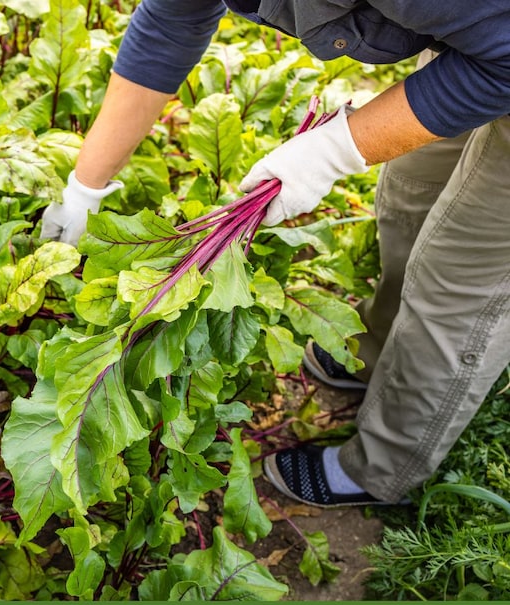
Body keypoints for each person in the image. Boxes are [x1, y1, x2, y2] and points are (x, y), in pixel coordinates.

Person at [40, 0, 510, 508]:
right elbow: (168, 24)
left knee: (459, 277)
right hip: (485, 37)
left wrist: (336, 149)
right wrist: (85, 188)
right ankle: (374, 354)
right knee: (411, 192)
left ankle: (383, 469)